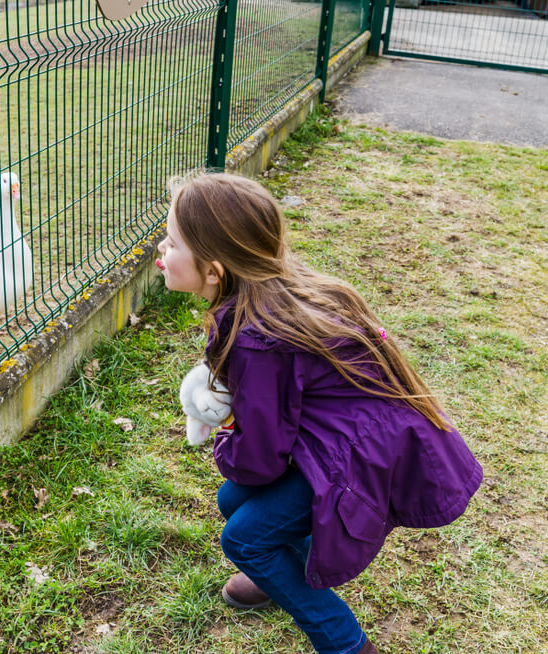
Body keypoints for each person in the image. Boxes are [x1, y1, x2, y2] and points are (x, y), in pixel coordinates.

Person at [154, 171, 482, 654]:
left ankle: (348, 646)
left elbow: (260, 458)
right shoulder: (259, 295)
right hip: (338, 439)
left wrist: (225, 436)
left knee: (243, 539)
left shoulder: (257, 340)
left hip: (360, 457)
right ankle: (280, 577)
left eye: (174, 242)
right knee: (233, 503)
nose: (161, 248)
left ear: (214, 270)